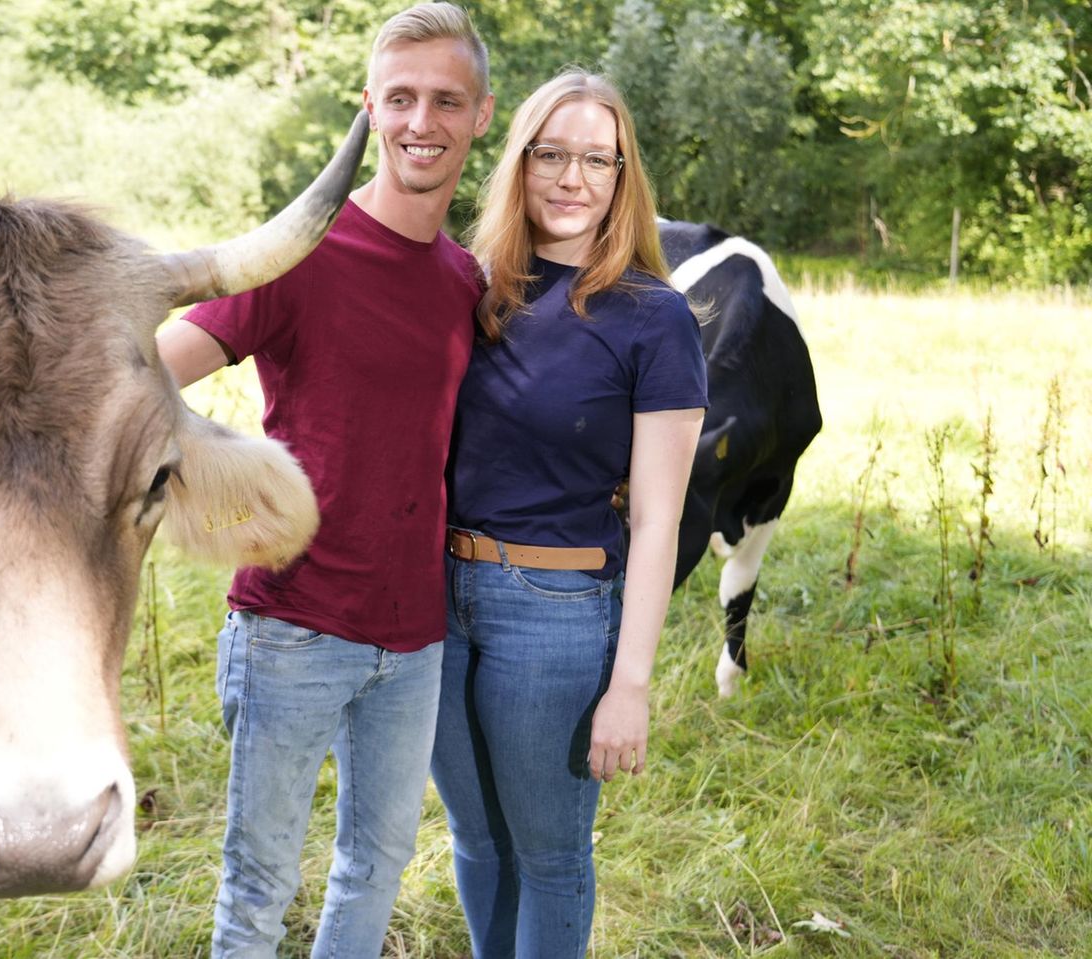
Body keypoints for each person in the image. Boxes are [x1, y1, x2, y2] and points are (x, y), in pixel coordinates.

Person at [155, 4, 494, 956]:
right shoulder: (298, 256)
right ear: (370, 110)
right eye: (400, 99)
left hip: (415, 636)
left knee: (375, 866)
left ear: (479, 115)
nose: (421, 120)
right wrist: (214, 478)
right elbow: (143, 371)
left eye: (444, 100)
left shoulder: (463, 278)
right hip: (291, 628)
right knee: (260, 884)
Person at [431, 71, 708, 957]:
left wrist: (630, 681)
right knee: (476, 838)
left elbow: (661, 520)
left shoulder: (653, 319)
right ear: (519, 163)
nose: (572, 177)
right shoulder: (472, 287)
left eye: (597, 158)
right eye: (551, 153)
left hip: (552, 616)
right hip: (435, 602)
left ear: (623, 176)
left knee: (549, 856)